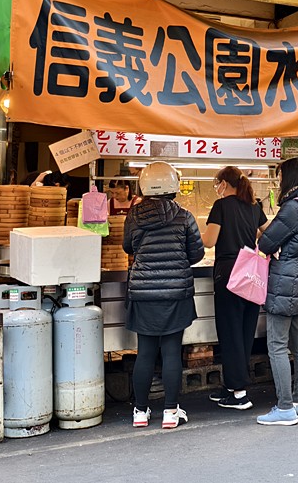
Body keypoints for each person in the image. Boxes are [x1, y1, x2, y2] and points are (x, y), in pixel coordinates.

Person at [123, 161, 204, 429]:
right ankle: (170, 412)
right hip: (175, 293)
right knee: (171, 352)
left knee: (145, 352)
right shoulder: (184, 216)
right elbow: (197, 253)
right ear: (174, 186)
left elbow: (127, 247)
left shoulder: (133, 216)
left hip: (144, 293)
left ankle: (139, 411)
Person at [255, 158, 298, 426]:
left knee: (277, 345)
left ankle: (284, 407)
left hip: (284, 284)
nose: (278, 179)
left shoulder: (292, 208)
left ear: (291, 177)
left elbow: (266, 241)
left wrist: (273, 246)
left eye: (281, 174)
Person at [202, 166, 268, 410]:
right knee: (244, 331)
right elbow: (268, 233)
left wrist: (194, 233)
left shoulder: (222, 206)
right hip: (250, 272)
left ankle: (239, 394)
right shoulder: (254, 206)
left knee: (229, 333)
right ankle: (232, 385)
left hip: (229, 274)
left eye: (216, 184)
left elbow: (209, 241)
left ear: (223, 183)